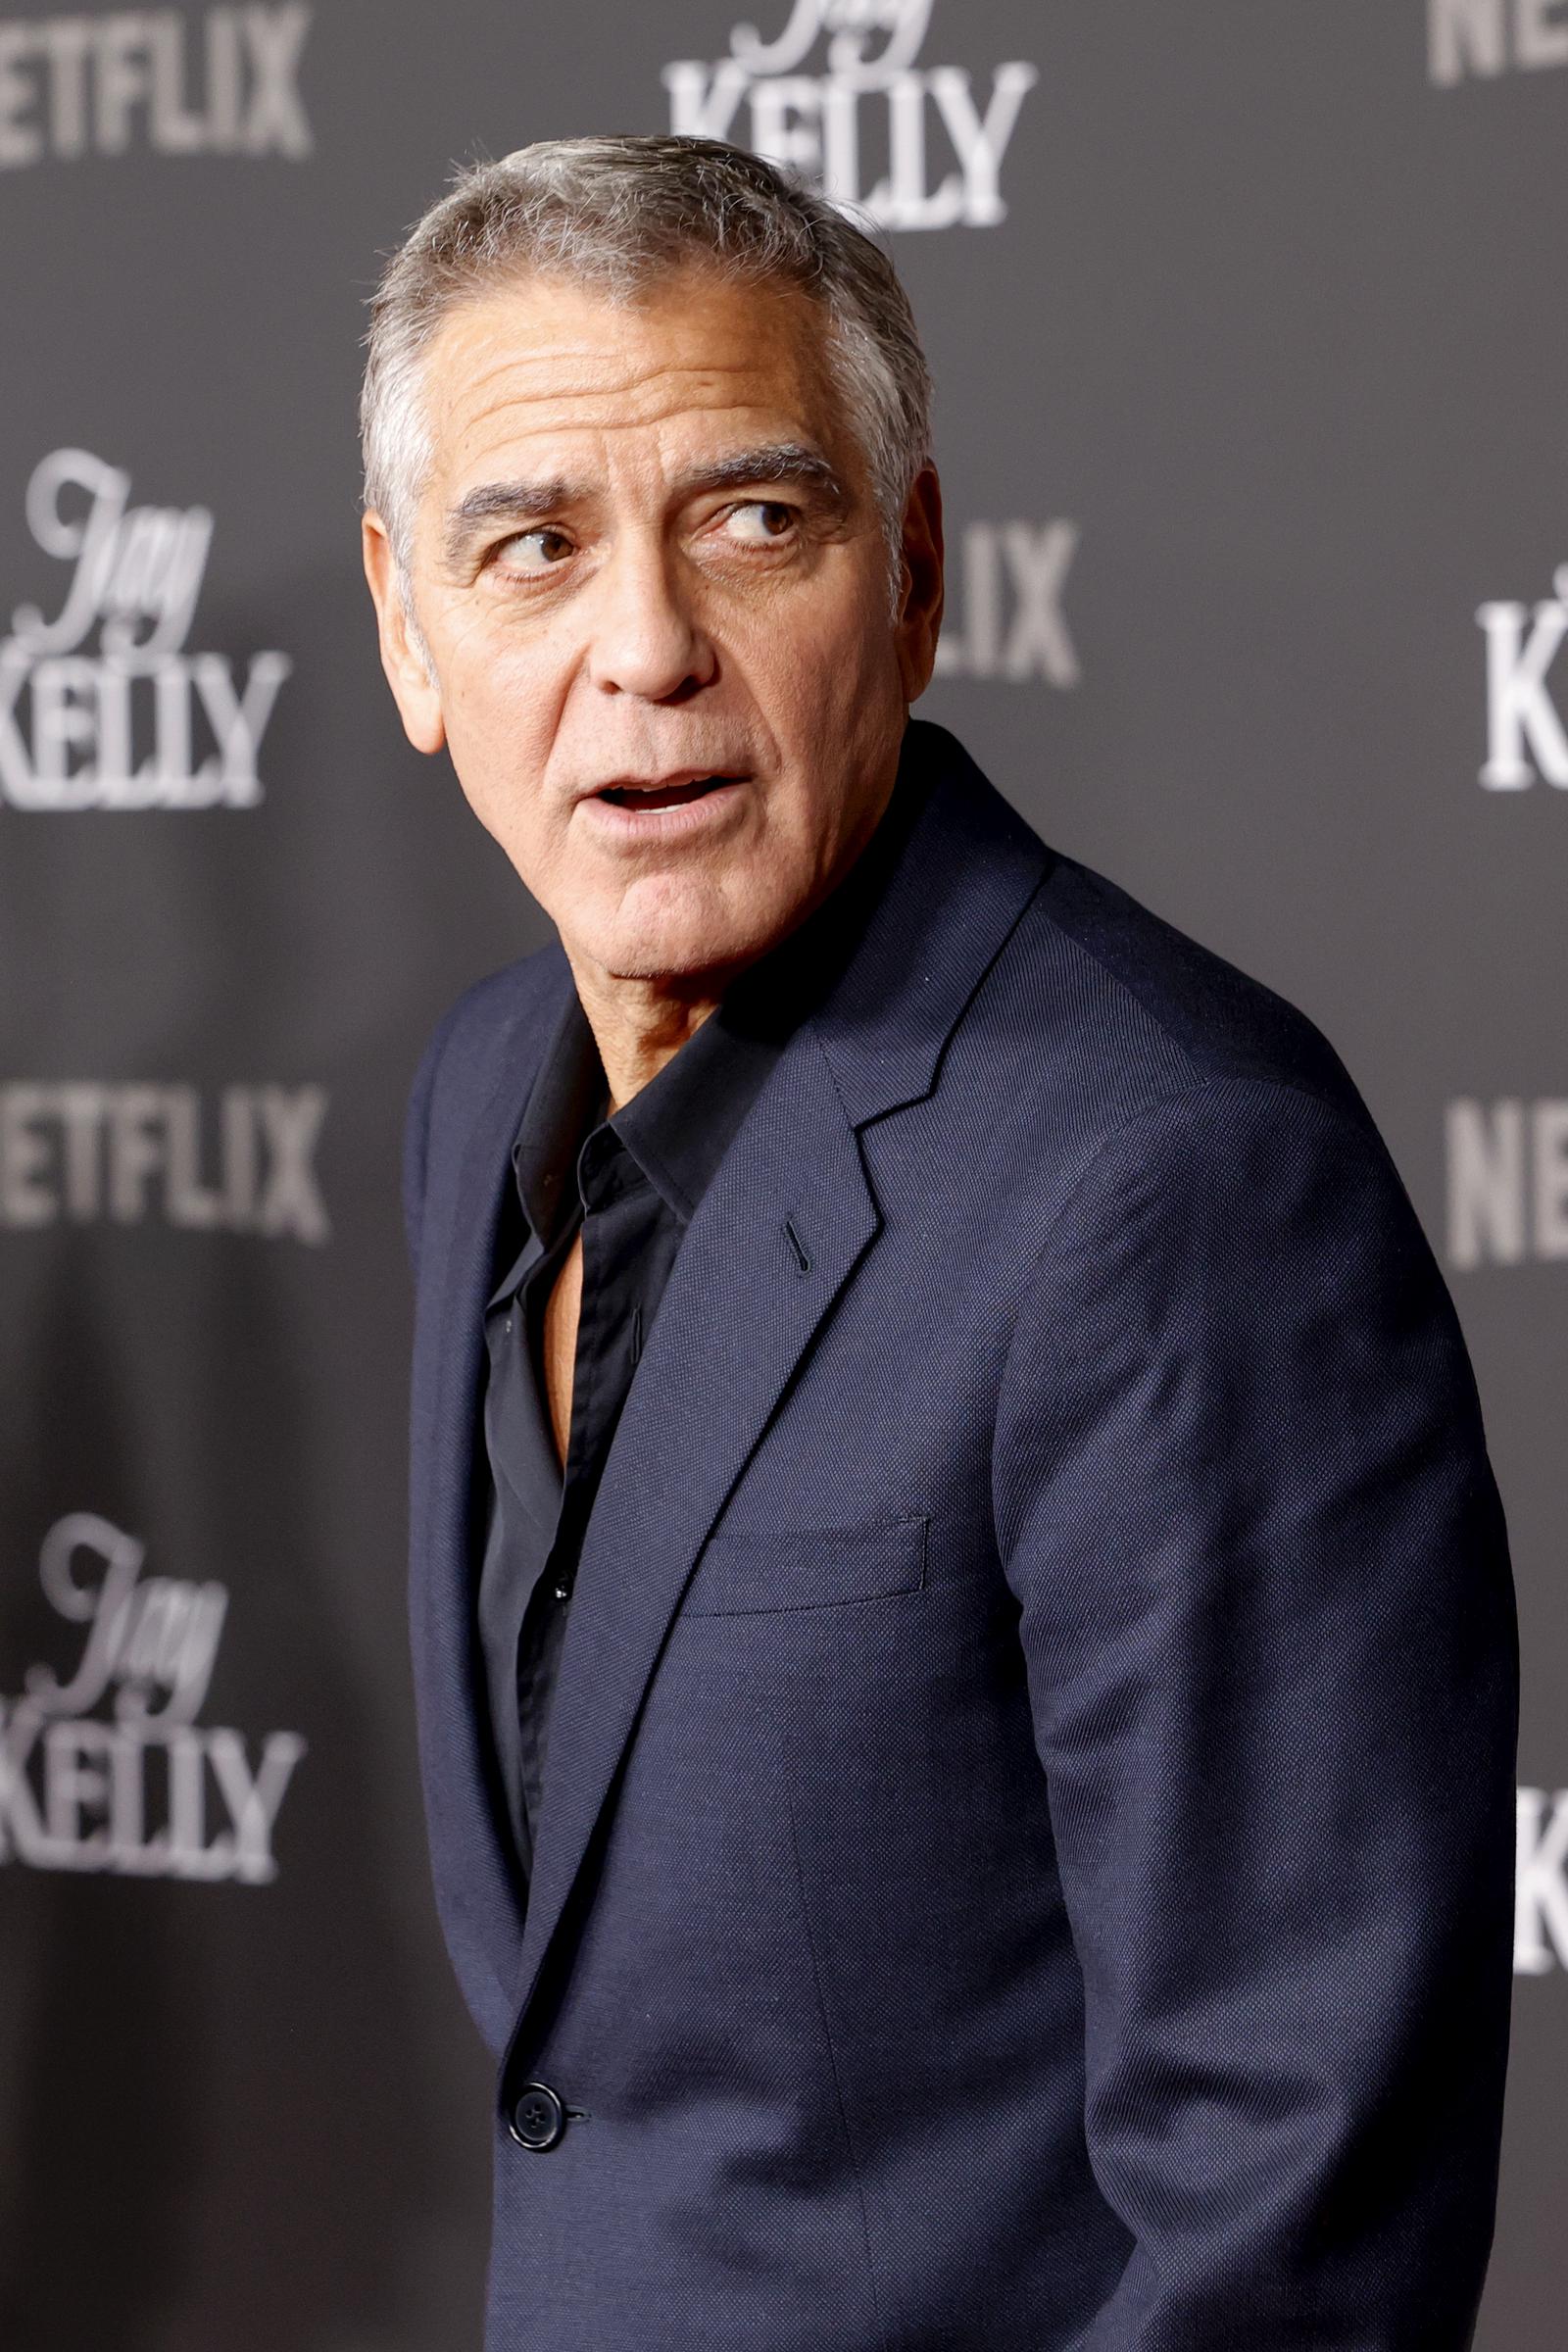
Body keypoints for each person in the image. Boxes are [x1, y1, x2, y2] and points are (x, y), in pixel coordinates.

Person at [360, 133, 1517, 2352]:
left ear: (911, 575)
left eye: (752, 521)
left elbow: (1294, 2245)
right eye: (532, 548)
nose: (645, 651)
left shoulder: (1172, 1183)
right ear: (411, 629)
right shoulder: (473, 1093)